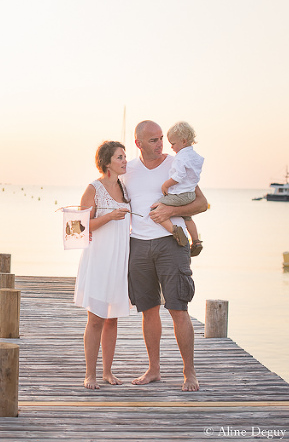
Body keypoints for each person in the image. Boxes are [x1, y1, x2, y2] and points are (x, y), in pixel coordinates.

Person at [120, 120, 208, 392]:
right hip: (138, 245)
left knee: (178, 309)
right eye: (153, 140)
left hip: (172, 244)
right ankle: (154, 369)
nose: (160, 144)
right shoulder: (127, 171)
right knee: (148, 310)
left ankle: (189, 372)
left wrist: (171, 211)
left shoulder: (176, 162)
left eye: (161, 138)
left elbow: (201, 203)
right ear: (138, 143)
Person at [74, 141, 131, 389]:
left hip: (119, 259)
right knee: (96, 318)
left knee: (112, 319)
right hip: (99, 258)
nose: (125, 161)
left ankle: (108, 372)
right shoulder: (93, 188)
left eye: (125, 156)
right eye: (120, 157)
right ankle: (90, 374)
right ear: (107, 162)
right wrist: (109, 217)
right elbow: (80, 227)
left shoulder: (125, 187)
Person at [154, 121, 205, 257]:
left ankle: (176, 232)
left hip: (180, 195)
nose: (171, 147)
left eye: (173, 143)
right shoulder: (195, 156)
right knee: (187, 217)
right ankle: (196, 241)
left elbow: (179, 176)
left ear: (183, 141)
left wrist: (166, 185)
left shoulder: (180, 158)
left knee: (156, 209)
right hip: (191, 194)